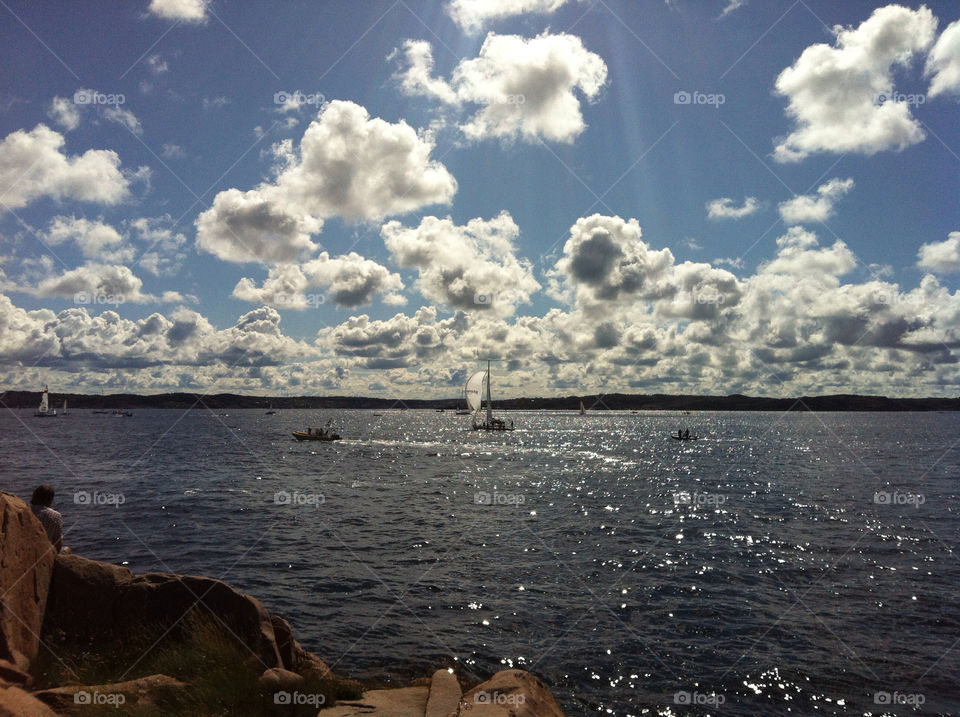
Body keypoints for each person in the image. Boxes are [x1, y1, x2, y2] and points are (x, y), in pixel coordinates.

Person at [30, 484, 63, 552]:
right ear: (50, 499)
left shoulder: (27, 510)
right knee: (67, 549)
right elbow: (58, 542)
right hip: (45, 552)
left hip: (28, 549)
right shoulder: (55, 515)